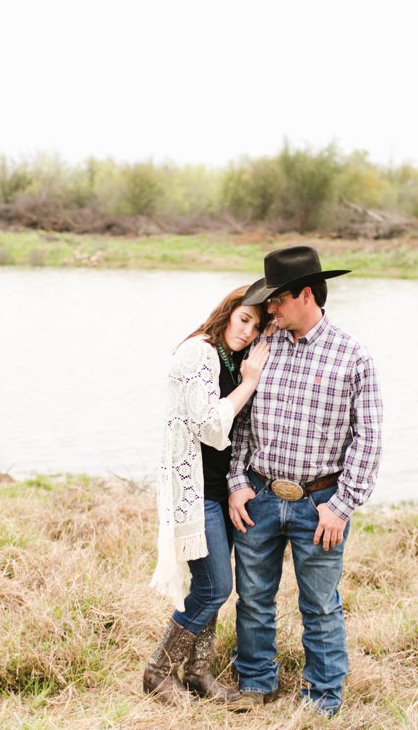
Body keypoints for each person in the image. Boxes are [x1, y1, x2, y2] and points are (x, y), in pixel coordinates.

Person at [227, 246, 383, 717]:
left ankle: (322, 698)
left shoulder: (353, 357)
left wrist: (342, 506)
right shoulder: (262, 346)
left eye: (277, 299)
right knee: (253, 596)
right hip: (260, 494)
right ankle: (255, 681)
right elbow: (241, 422)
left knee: (319, 604)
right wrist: (236, 481)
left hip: (321, 503)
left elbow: (369, 440)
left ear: (307, 295)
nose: (269, 308)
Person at [145, 280, 271, 707]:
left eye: (256, 327)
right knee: (216, 587)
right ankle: (158, 671)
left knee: (211, 585)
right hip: (195, 490)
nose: (248, 333)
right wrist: (250, 382)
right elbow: (210, 427)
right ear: (227, 312)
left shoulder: (231, 359)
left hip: (222, 489)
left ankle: (198, 672)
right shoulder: (200, 352)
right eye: (244, 320)